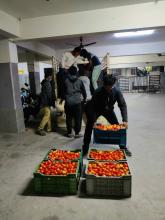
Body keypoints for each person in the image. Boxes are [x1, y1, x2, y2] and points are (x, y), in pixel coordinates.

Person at [82, 74, 132, 157]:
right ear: (104, 85)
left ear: (113, 85)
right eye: (107, 87)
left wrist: (125, 120)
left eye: (110, 87)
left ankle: (123, 147)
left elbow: (122, 105)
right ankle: (85, 148)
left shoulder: (117, 92)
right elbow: (91, 107)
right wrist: (92, 119)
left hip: (108, 110)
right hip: (96, 109)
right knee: (89, 126)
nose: (109, 89)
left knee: (117, 127)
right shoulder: (98, 92)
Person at [63, 65, 87, 138]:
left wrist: (66, 98)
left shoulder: (66, 81)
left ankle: (70, 133)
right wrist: (84, 99)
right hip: (77, 103)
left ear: (69, 73)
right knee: (78, 118)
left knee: (69, 118)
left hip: (68, 103)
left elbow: (63, 92)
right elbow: (84, 91)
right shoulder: (80, 81)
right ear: (76, 73)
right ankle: (77, 133)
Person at [36, 68, 55, 136]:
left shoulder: (44, 82)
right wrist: (52, 102)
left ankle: (49, 128)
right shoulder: (47, 83)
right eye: (51, 76)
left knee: (48, 114)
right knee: (47, 114)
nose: (52, 77)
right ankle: (40, 128)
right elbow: (49, 94)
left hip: (44, 101)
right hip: (46, 102)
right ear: (49, 76)